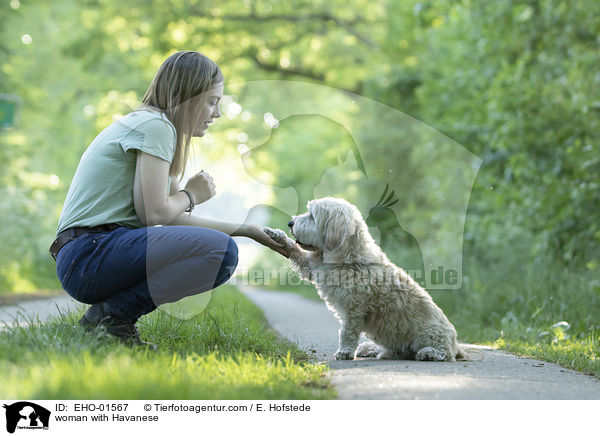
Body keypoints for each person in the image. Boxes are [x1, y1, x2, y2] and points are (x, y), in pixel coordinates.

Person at [50, 50, 287, 350]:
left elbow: (170, 218)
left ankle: (108, 319)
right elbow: (154, 213)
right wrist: (190, 195)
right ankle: (112, 318)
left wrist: (246, 230)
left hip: (87, 256)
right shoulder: (157, 126)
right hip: (89, 253)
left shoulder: (153, 126)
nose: (217, 114)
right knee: (220, 253)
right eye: (212, 102)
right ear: (188, 96)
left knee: (223, 252)